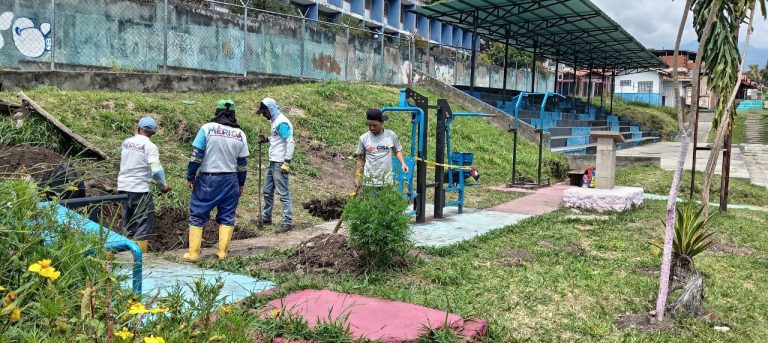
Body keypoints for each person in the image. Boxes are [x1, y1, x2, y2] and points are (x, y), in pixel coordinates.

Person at [183, 100, 249, 261]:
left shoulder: (207, 129)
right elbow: (242, 164)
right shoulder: (240, 134)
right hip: (231, 180)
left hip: (208, 179)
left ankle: (193, 254)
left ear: (217, 111)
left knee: (198, 213)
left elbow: (196, 156)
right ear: (233, 114)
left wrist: (190, 176)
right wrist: (241, 184)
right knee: (227, 215)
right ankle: (222, 253)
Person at [117, 117, 171, 253]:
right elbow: (156, 170)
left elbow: (128, 161)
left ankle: (125, 254)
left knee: (128, 223)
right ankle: (141, 258)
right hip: (139, 189)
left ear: (138, 128)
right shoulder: (150, 146)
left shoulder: (126, 142)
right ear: (153, 132)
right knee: (143, 223)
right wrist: (163, 186)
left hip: (123, 187)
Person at [252, 98, 295, 233]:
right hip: (272, 162)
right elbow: (277, 138)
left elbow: (290, 141)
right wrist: (266, 139)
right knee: (267, 190)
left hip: (280, 162)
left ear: (270, 110)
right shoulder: (275, 121)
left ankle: (287, 222)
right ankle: (266, 217)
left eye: (264, 112)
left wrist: (286, 162)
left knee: (283, 193)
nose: (264, 115)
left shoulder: (282, 122)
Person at [355, 108, 409, 188]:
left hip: (386, 182)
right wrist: (357, 176)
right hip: (369, 182)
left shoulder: (390, 135)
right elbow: (360, 159)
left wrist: (403, 163)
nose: (372, 128)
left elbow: (397, 150)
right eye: (369, 125)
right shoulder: (364, 138)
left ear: (382, 122)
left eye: (374, 125)